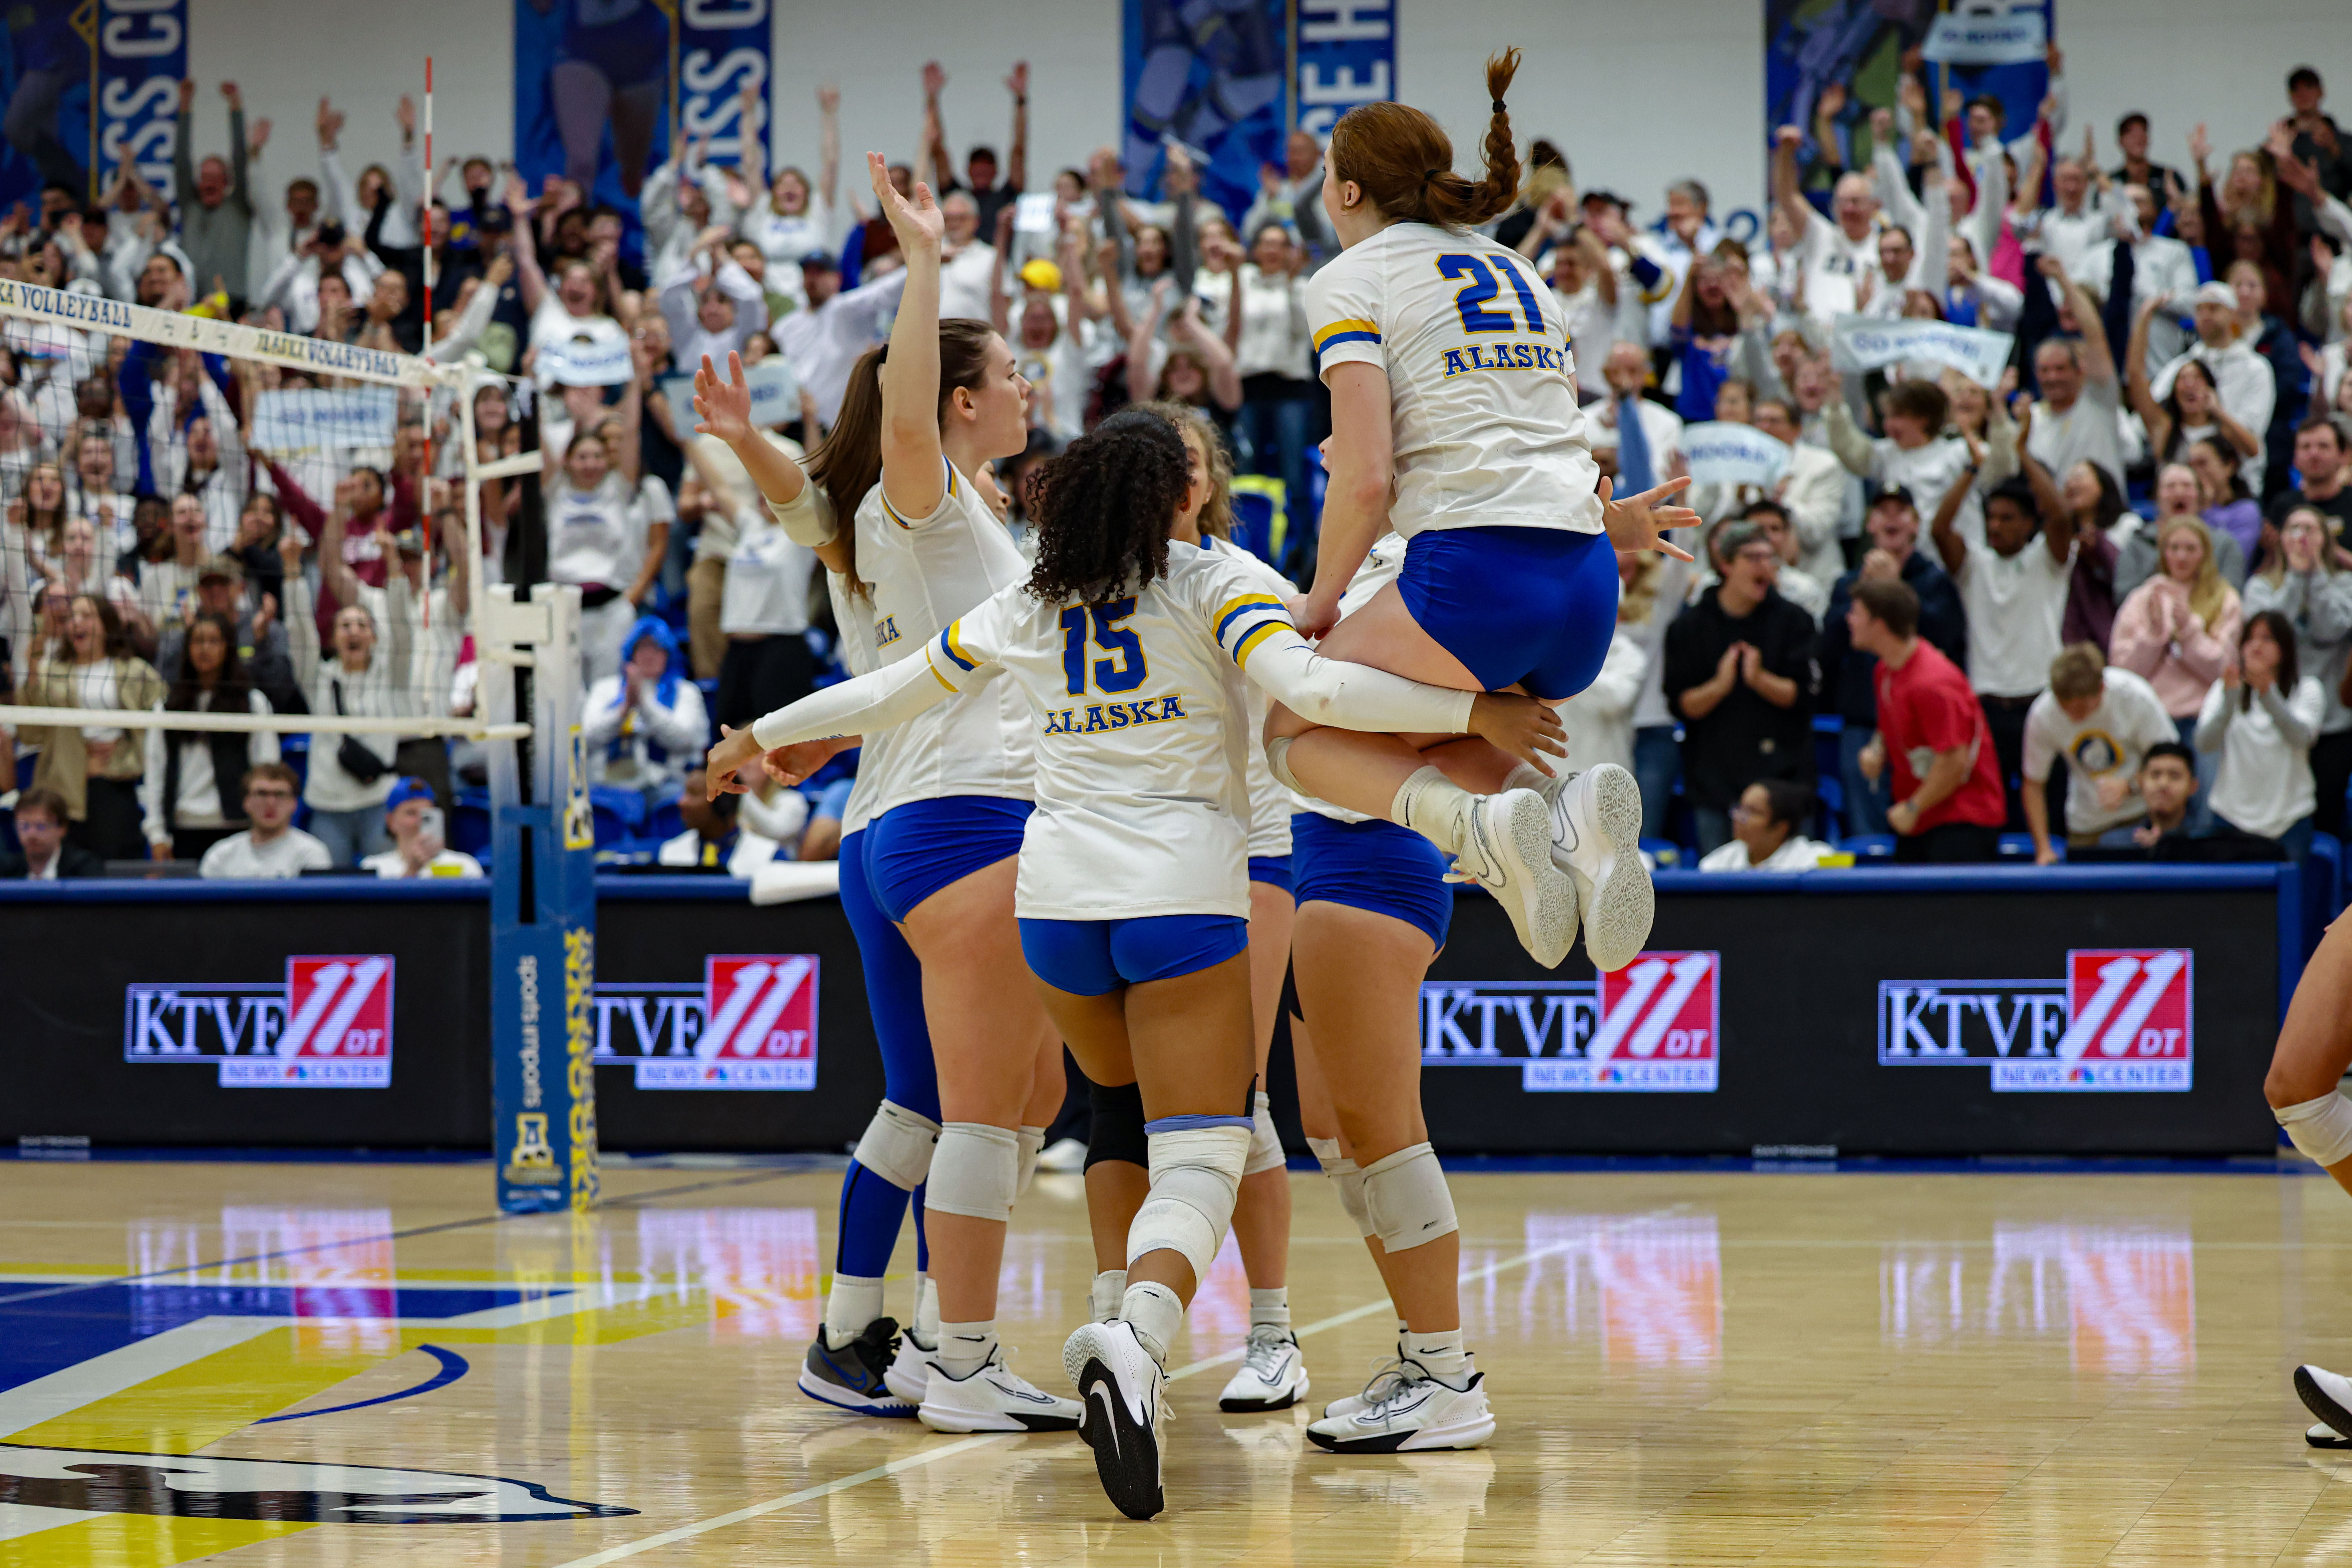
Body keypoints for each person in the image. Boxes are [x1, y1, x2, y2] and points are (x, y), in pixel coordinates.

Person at [708, 409, 1557, 1514]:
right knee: (1203, 1144)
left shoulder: (1025, 602)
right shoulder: (1212, 583)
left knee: (1112, 1110)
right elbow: (1318, 694)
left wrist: (758, 733)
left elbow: (885, 692)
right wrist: (1473, 706)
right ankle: (1133, 1331)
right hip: (1180, 895)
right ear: (1174, 498)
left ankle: (1115, 1315)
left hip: (1055, 907)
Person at [701, 160, 1079, 1439]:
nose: (1029, 385)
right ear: (961, 400)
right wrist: (924, 268)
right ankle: (948, 1354)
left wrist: (749, 438)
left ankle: (863, 1331)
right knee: (988, 1107)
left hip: (888, 827)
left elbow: (812, 499)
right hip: (961, 822)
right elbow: (896, 427)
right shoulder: (926, 502)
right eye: (1009, 374)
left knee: (959, 1103)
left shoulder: (893, 517)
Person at [1272, 49, 1696, 975]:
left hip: (1475, 581)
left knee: (1294, 728)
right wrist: (1612, 520)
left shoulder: (1350, 278)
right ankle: (1563, 811)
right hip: (1584, 584)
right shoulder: (1520, 270)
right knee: (1438, 734)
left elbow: (1367, 476)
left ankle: (1491, 831)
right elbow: (1540, 432)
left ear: (1342, 193)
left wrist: (1318, 601)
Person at [1928, 447, 2078, 829]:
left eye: (2007, 518)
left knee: (2052, 806)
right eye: (1991, 518)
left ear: (2029, 524)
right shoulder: (1974, 565)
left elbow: (2060, 515)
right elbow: (1938, 529)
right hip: (1986, 706)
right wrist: (1973, 469)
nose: (1995, 526)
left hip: (2041, 702)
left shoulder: (2048, 560)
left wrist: (2023, 455)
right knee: (1988, 815)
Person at [1817, 484, 1968, 837]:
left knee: (1920, 821)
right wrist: (1867, 594)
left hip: (1919, 729)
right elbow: (1827, 647)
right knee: (1865, 829)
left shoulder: (1933, 580)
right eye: (1882, 511)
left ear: (1915, 525)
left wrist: (1895, 591)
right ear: (1869, 525)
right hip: (1862, 720)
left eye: (1900, 511)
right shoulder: (1847, 584)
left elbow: (1946, 638)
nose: (1890, 519)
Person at [1662, 519, 1816, 853]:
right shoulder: (1691, 626)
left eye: (1769, 557)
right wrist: (1719, 686)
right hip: (1715, 784)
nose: (1765, 566)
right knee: (1718, 891)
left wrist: (1759, 680)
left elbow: (1802, 695)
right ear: (1726, 564)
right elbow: (1682, 704)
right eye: (1754, 557)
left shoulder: (1793, 621)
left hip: (1782, 784)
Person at [281, 516, 414, 867]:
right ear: (334, 637)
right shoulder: (319, 677)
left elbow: (403, 632)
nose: (353, 631)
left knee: (387, 892)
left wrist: (394, 566)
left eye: (362, 625)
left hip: (378, 802)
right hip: (329, 805)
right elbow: (298, 632)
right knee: (331, 898)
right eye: (345, 626)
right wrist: (293, 572)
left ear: (373, 636)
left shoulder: (393, 675)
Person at [1850, 579, 2007, 862]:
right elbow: (1888, 728)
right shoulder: (1885, 671)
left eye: (1857, 613)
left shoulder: (1933, 683)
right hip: (1921, 814)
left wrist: (1913, 807)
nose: (1849, 620)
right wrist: (1877, 752)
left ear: (1880, 624)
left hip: (1961, 818)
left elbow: (1954, 761)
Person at [2110, 516, 2243, 822]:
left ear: (2205, 553)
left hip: (2205, 722)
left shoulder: (2225, 599)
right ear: (2163, 553)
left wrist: (2188, 630)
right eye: (2174, 548)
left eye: (2191, 549)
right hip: (2153, 719)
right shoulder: (2142, 600)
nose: (2182, 556)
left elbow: (2224, 670)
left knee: (2205, 813)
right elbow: (2123, 673)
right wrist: (2155, 637)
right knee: (2155, 814)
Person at [21, 592, 166, 861]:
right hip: (65, 791)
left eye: (87, 616)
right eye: (71, 617)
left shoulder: (134, 670)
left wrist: (127, 747)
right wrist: (31, 670)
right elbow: (30, 732)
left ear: (106, 625)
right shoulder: (52, 672)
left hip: (114, 784)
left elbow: (164, 721)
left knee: (116, 871)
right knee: (70, 876)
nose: (77, 622)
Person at [2245, 506, 2352, 840]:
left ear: (2326, 539)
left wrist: (2316, 574)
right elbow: (2272, 635)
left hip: (2335, 719)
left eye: (2311, 530)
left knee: (2327, 811)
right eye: (2294, 529)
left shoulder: (2345, 583)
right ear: (2281, 540)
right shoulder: (2260, 587)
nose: (2302, 538)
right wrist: (2294, 577)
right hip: (2278, 713)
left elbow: (2332, 629)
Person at [140, 609, 280, 864]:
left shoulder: (253, 703)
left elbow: (266, 768)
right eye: (198, 641)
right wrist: (157, 833)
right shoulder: (167, 707)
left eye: (214, 641)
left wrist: (262, 824)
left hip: (238, 826)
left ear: (228, 647)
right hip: (183, 828)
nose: (205, 649)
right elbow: (155, 772)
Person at [2020, 643, 2179, 863]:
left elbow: (2172, 761)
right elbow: (2034, 783)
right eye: (2064, 708)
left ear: (2102, 689)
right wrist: (2043, 848)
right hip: (2084, 823)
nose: (2073, 717)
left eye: (2081, 709)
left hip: (2141, 816)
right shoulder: (2043, 714)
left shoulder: (2133, 696)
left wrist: (2130, 785)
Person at [2196, 609, 2326, 858]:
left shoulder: (2308, 689)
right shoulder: (2224, 689)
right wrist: (2229, 701)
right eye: (2250, 638)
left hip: (2289, 818)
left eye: (2267, 638)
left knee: (2289, 896)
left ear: (2285, 647)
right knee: (2228, 897)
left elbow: (2301, 737)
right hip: (2230, 815)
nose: (2257, 645)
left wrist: (2267, 692)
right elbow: (2204, 743)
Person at [580, 616, 707, 802]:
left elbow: (685, 740)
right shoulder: (605, 689)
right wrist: (623, 711)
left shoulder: (686, 692)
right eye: (642, 648)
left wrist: (644, 705)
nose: (649, 655)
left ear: (668, 653)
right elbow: (587, 739)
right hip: (609, 786)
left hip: (665, 783)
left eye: (656, 648)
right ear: (631, 653)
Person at [196, 762, 332, 879]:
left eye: (280, 794)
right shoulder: (221, 855)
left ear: (294, 804)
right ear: (246, 802)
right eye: (261, 794)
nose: (270, 803)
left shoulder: (311, 854)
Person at [359, 775, 484, 879]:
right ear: (391, 821)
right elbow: (383, 909)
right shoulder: (374, 868)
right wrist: (413, 869)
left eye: (427, 814)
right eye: (411, 813)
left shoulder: (466, 866)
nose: (420, 821)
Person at [1697, 778, 1833, 872]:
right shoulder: (1718, 862)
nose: (1739, 818)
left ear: (1781, 828)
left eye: (1752, 812)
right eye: (1740, 809)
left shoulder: (1816, 860)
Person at [0, 788, 105, 880]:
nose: (32, 834)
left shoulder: (85, 869)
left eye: (41, 826)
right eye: (24, 827)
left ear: (62, 829)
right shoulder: (7, 871)